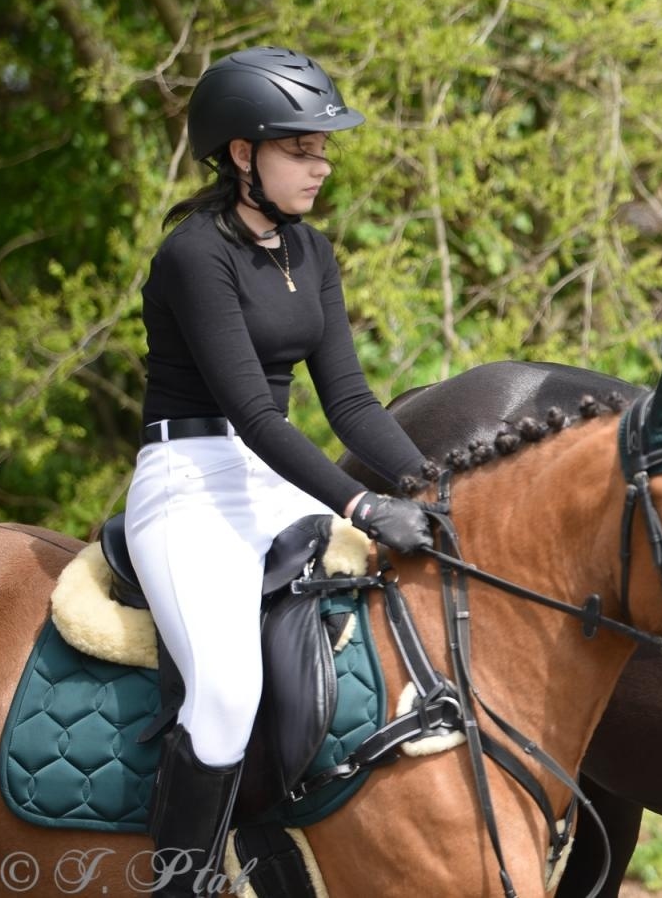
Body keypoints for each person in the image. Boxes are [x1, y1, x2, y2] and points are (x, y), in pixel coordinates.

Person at [125, 46, 434, 895]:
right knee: (226, 694)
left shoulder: (312, 251)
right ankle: (181, 883)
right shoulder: (195, 255)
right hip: (188, 482)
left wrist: (432, 485)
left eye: (323, 149)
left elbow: (351, 404)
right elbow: (255, 416)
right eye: (301, 150)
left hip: (274, 483)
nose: (320, 166)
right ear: (241, 154)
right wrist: (364, 506)